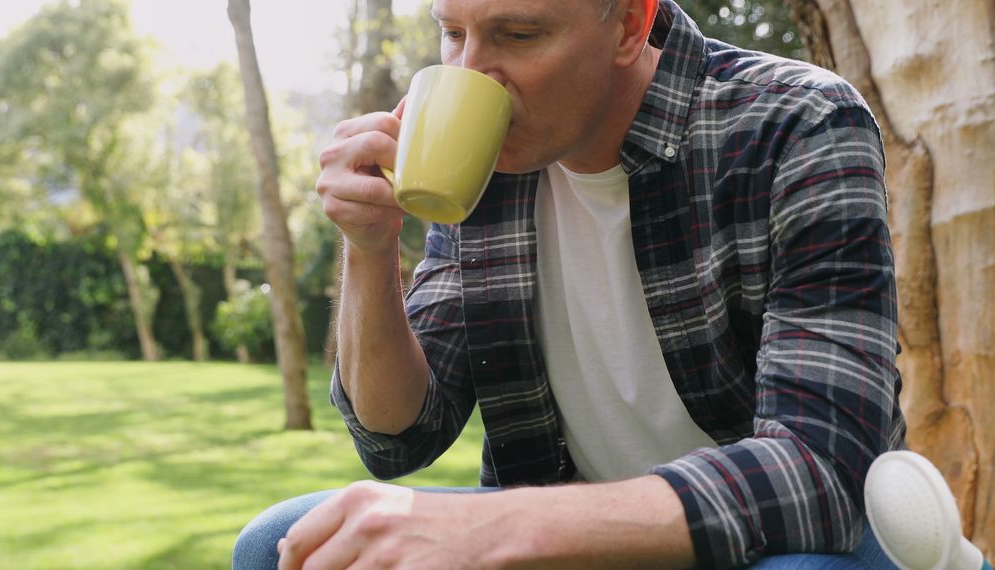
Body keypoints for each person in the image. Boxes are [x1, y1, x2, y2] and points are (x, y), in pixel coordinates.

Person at [234, 0, 906, 567]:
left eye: (518, 35)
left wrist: (498, 530)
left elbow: (823, 470)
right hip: (564, 522)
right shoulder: (479, 160)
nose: (471, 75)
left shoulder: (798, 123)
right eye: (453, 33)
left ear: (628, 24)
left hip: (784, 538)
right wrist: (369, 246)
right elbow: (397, 436)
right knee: (282, 545)